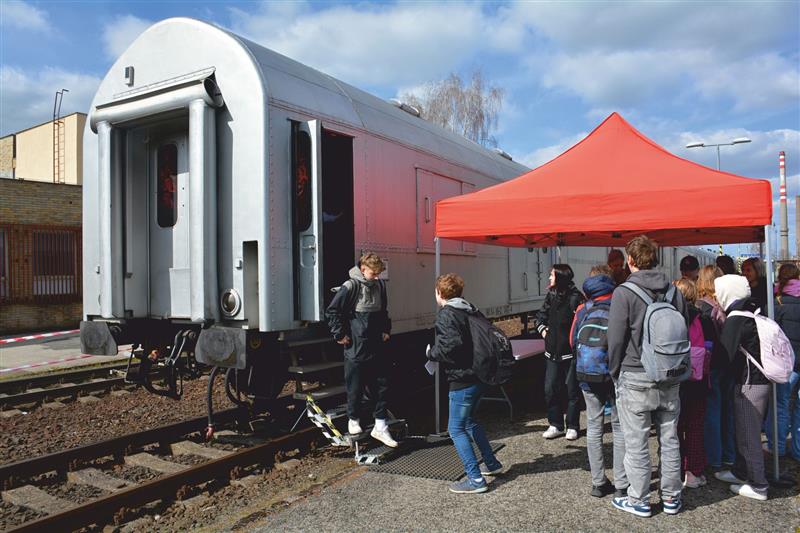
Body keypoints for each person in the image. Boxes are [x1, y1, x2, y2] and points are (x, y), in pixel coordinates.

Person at [608, 235, 688, 517]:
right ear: (655, 259)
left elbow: (615, 339)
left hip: (635, 375)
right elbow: (683, 328)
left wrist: (614, 371)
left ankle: (639, 500)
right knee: (669, 438)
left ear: (630, 261)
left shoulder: (624, 293)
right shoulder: (674, 291)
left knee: (636, 441)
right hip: (669, 375)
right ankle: (671, 498)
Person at [426, 273, 504, 494]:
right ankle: (491, 463)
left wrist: (432, 352)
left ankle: (475, 479)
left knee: (456, 429)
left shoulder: (447, 314)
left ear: (439, 293)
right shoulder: (470, 309)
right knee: (470, 422)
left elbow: (451, 346)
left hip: (463, 379)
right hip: (479, 375)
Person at [324, 252, 397, 447]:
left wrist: (385, 330)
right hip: (356, 345)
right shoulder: (351, 286)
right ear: (363, 270)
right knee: (355, 385)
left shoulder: (380, 286)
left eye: (378, 273)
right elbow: (332, 311)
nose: (377, 277)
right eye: (374, 273)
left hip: (375, 343)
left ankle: (380, 425)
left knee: (382, 385)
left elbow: (383, 311)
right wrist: (339, 335)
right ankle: (353, 419)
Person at [570, 265, 628, 498]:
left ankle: (598, 482)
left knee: (594, 427)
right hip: (614, 373)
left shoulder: (583, 309)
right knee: (619, 427)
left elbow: (572, 342)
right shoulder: (619, 305)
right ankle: (622, 484)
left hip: (587, 374)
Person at [713, 274, 770, 501]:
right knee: (745, 431)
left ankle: (759, 485)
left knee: (749, 435)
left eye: (719, 292)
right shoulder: (752, 310)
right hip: (756, 381)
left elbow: (723, 356)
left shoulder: (736, 319)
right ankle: (741, 471)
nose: (717, 297)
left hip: (749, 383)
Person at [535, 264, 584, 440]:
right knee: (550, 390)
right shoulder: (551, 295)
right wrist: (544, 332)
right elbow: (539, 317)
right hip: (551, 354)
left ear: (560, 277)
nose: (549, 278)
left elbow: (581, 322)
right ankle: (555, 424)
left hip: (570, 354)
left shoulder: (575, 297)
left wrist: (575, 342)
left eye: (552, 275)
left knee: (572, 391)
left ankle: (573, 425)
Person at [696, 266, 734, 471]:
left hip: (709, 365)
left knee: (711, 410)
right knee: (727, 410)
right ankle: (729, 454)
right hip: (725, 362)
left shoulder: (701, 306)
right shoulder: (723, 306)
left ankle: (714, 457)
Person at [673, 278, 708, 489]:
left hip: (674, 379)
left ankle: (674, 470)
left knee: (673, 427)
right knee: (695, 427)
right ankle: (693, 472)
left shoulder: (668, 317)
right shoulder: (702, 317)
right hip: (697, 380)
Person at [766, 263, 800, 460]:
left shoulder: (776, 303)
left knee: (781, 406)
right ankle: (798, 451)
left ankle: (777, 448)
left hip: (787, 365)